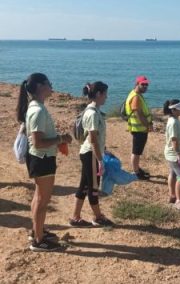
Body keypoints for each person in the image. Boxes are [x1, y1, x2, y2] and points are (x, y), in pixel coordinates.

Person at [16, 73, 72, 251]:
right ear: (40, 86)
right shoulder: (38, 111)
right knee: (42, 199)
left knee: (38, 197)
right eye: (49, 83)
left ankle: (36, 231)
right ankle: (39, 241)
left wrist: (57, 139)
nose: (51, 85)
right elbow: (38, 142)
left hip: (39, 158)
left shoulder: (35, 107)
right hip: (42, 158)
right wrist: (60, 138)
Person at [69, 82, 114, 227]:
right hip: (91, 154)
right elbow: (93, 139)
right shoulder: (92, 114)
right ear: (99, 94)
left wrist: (103, 149)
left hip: (89, 153)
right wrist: (100, 160)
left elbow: (97, 139)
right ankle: (98, 217)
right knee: (93, 188)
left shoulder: (92, 110)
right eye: (105, 94)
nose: (106, 97)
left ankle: (75, 217)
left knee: (85, 186)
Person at [125, 75, 153, 180]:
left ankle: (137, 169)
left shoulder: (136, 94)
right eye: (143, 84)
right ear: (137, 84)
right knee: (136, 152)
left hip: (139, 129)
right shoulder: (136, 97)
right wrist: (148, 125)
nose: (145, 86)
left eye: (147, 84)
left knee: (138, 151)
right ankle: (136, 172)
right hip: (139, 129)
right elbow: (139, 114)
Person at [163, 99, 180, 211]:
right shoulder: (173, 122)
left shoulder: (174, 119)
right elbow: (174, 140)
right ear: (173, 110)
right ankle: (179, 200)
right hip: (174, 154)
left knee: (173, 174)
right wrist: (178, 154)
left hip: (172, 153)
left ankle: (173, 195)